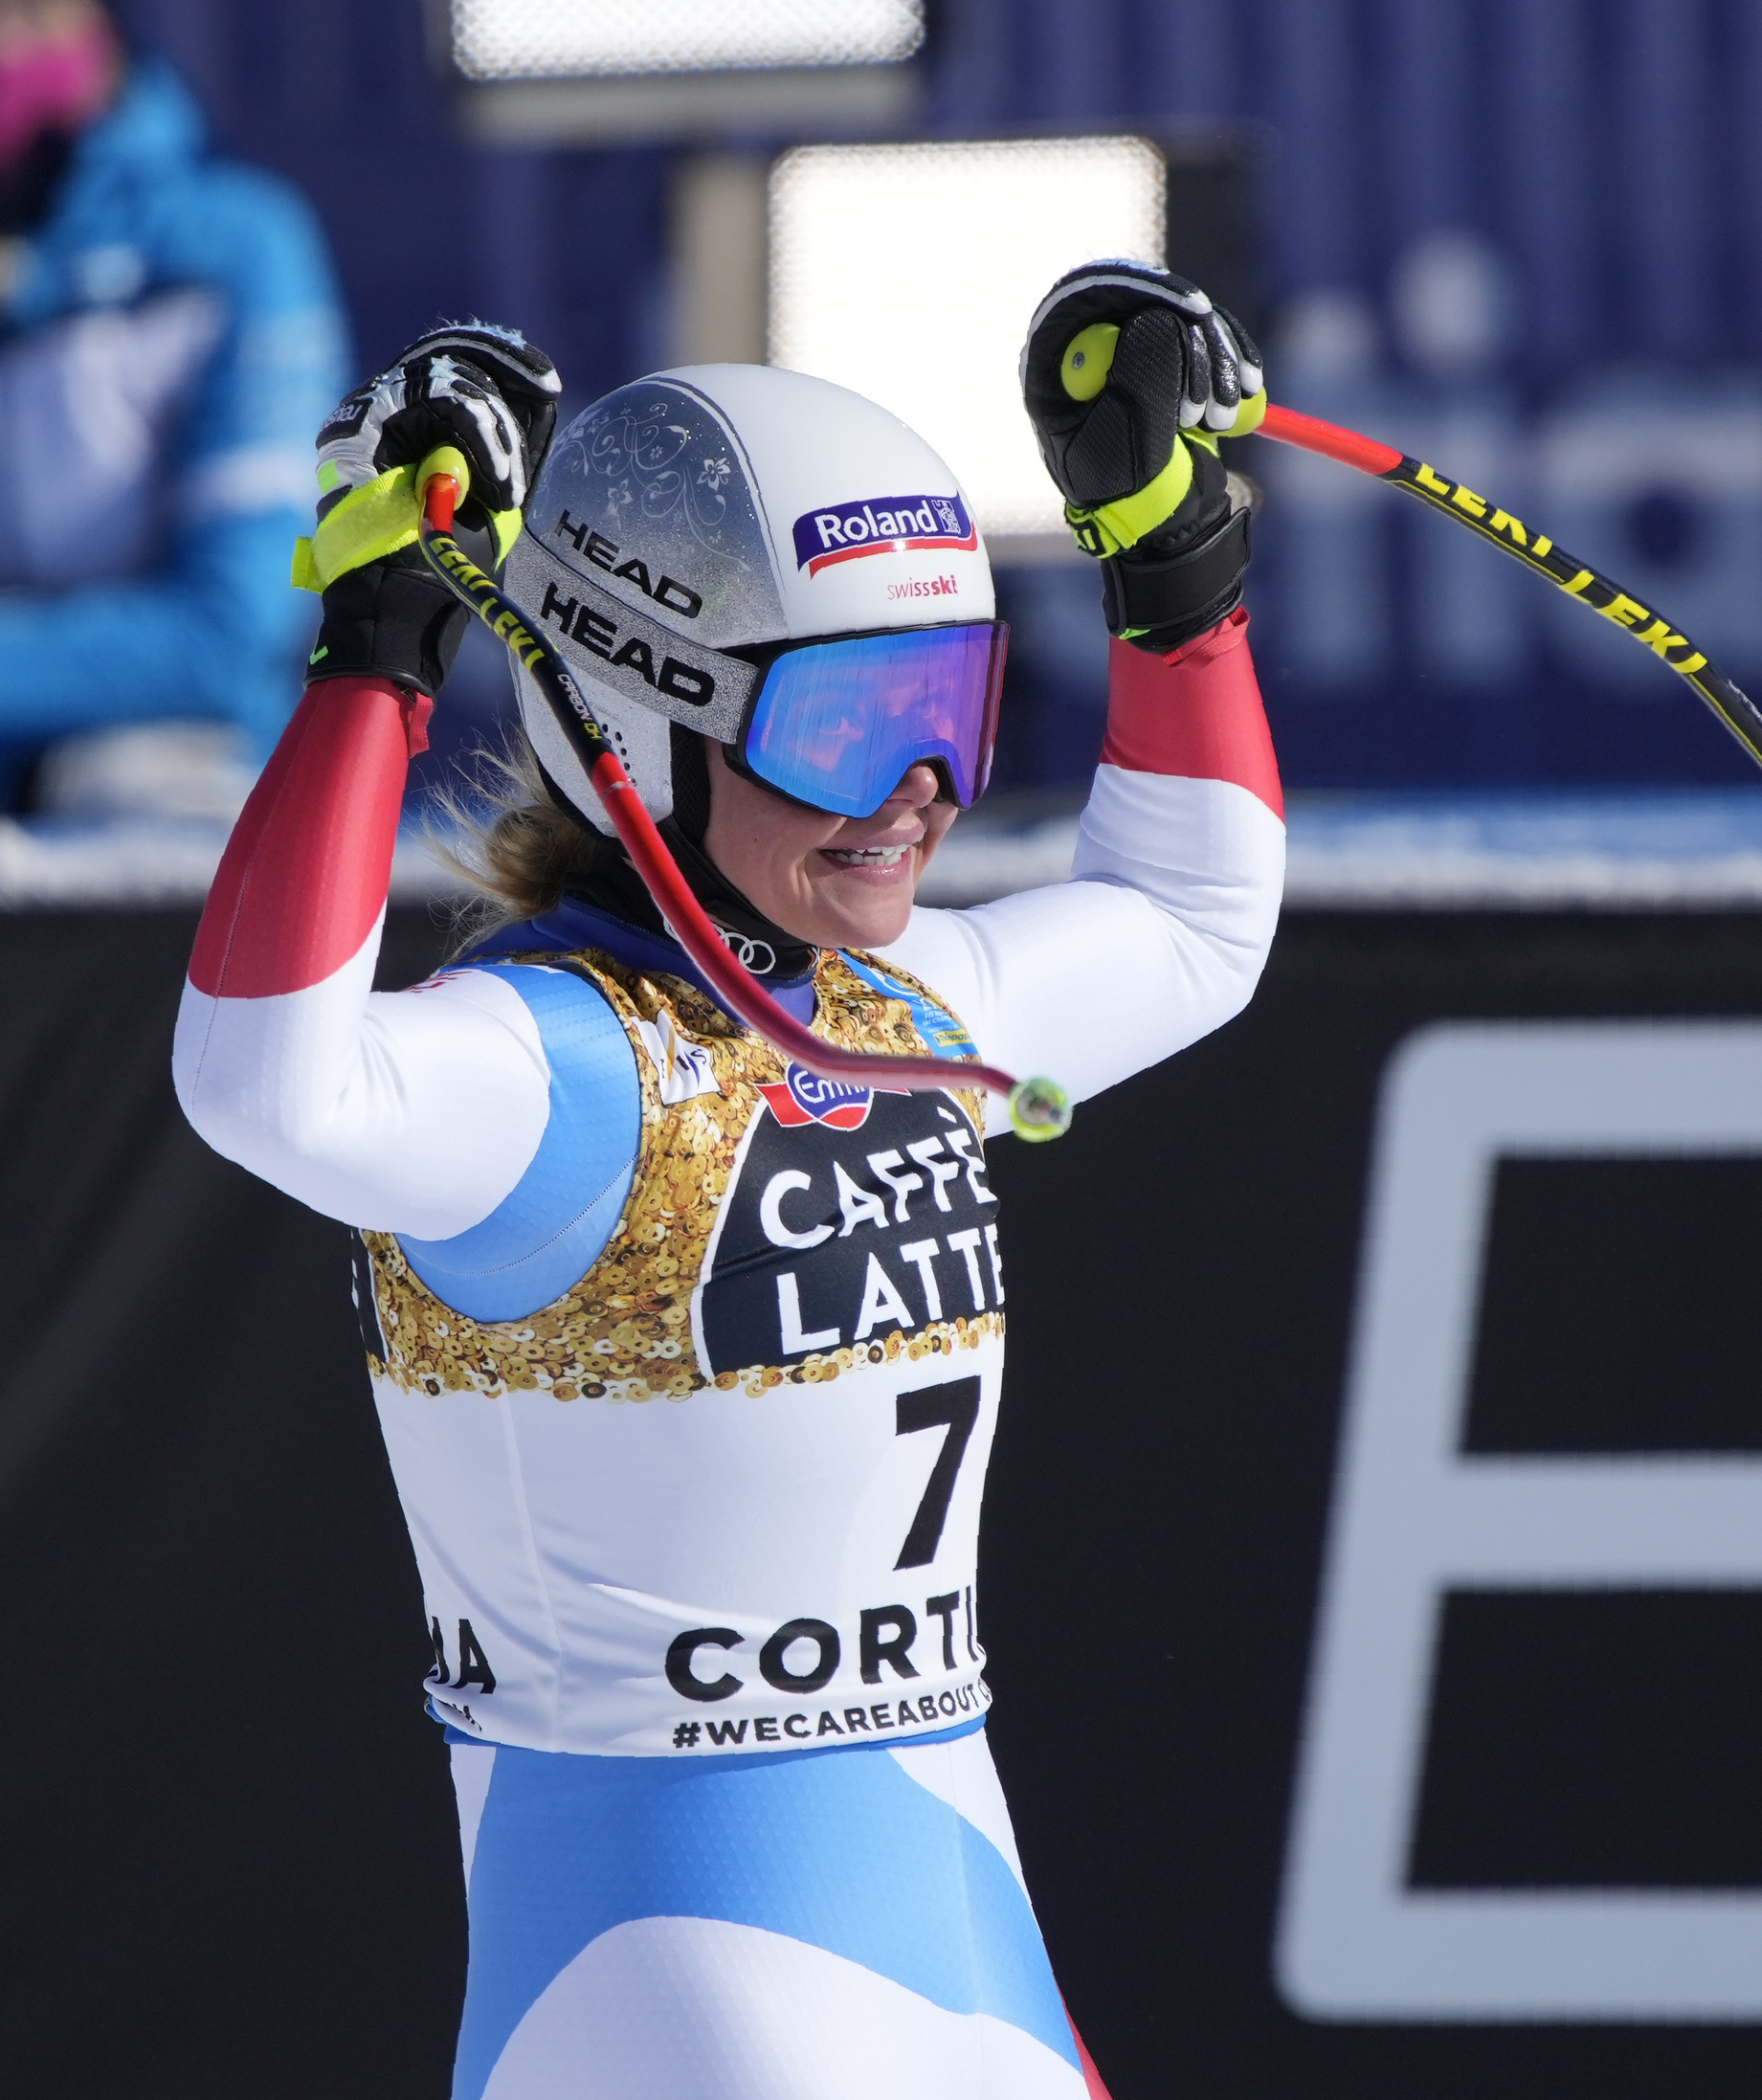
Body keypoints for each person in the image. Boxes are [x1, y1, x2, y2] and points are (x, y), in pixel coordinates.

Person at [171, 265, 1278, 2098]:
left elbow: (1193, 919)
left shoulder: (904, 1009)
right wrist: (375, 646)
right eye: (850, 720)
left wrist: (1170, 551)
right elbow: (261, 1076)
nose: (920, 787)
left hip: (957, 1918)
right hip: (670, 1986)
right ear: (638, 718)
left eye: (956, 701)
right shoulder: (535, 1067)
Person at [0, 0, 344, 812]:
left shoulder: (236, 243)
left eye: (30, 11)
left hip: (158, 810)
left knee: (139, 785)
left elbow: (235, 630)